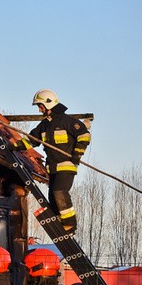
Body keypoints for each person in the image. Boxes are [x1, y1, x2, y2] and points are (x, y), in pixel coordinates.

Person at [11, 89, 91, 234]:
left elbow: (84, 135)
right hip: (52, 168)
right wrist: (14, 146)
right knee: (52, 198)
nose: (39, 109)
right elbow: (31, 140)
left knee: (59, 192)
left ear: (49, 104)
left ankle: (69, 224)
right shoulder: (44, 125)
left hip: (66, 165)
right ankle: (59, 222)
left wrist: (77, 154)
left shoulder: (68, 122)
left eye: (40, 106)